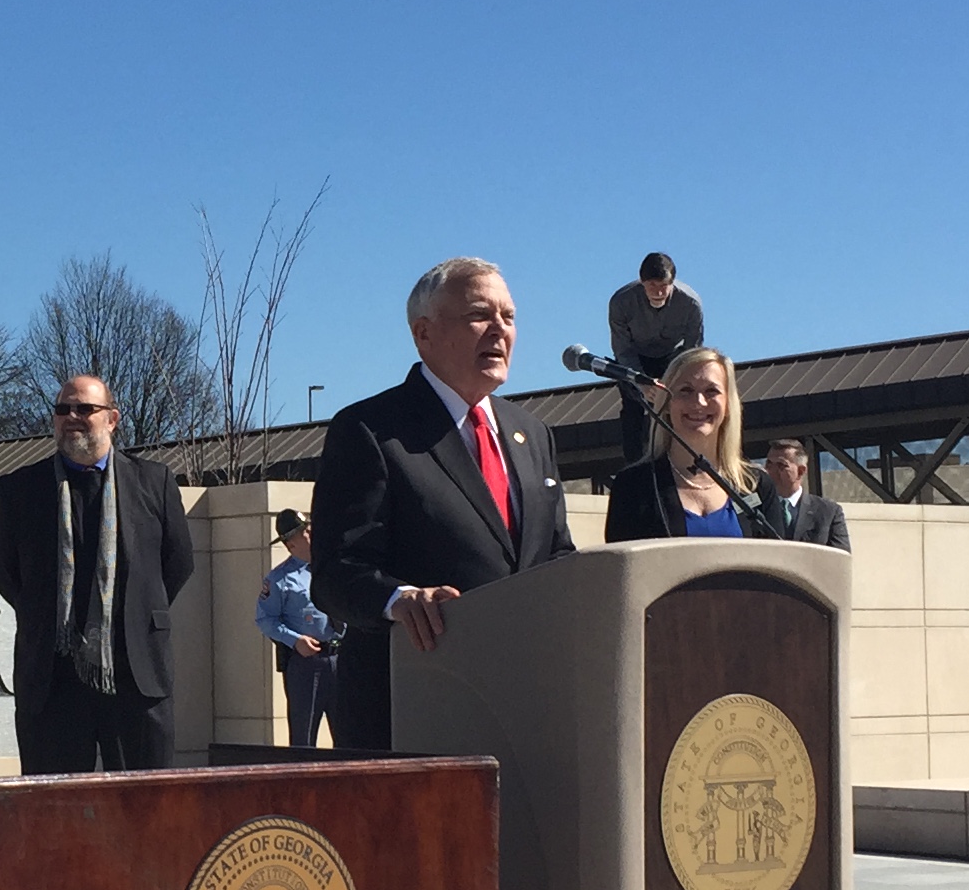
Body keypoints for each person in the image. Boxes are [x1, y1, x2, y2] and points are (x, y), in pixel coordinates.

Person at [310, 258, 576, 750]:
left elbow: (556, 555)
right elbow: (334, 575)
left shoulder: (532, 433)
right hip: (416, 706)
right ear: (424, 333)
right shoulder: (371, 431)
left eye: (509, 317)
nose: (500, 330)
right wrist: (399, 600)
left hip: (530, 705)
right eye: (480, 315)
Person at [0, 374, 196, 772]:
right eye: (63, 409)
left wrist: (133, 614)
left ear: (112, 419)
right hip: (52, 679)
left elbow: (178, 562)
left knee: (145, 811)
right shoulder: (19, 489)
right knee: (55, 815)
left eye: (85, 408)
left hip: (135, 675)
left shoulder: (154, 482)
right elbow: (3, 569)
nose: (72, 417)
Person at [604, 347, 769, 541]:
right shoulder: (632, 486)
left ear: (728, 406)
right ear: (666, 404)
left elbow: (779, 564)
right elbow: (622, 567)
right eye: (685, 390)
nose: (698, 402)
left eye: (711, 391)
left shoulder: (756, 485)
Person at [607, 252, 706, 463]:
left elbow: (693, 350)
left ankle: (676, 461)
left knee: (675, 409)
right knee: (633, 411)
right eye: (652, 285)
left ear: (672, 282)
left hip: (673, 359)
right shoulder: (621, 302)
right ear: (642, 282)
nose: (659, 292)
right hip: (634, 360)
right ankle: (633, 467)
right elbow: (623, 350)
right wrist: (641, 382)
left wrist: (678, 379)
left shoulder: (691, 303)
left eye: (664, 285)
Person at [253, 507, 338, 747]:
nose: (312, 534)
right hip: (306, 663)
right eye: (306, 532)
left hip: (341, 658)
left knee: (350, 736)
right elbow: (265, 619)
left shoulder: (333, 567)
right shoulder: (280, 579)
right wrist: (294, 640)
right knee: (304, 737)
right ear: (291, 543)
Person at [761, 437, 852, 548]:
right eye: (769, 464)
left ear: (801, 471)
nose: (771, 471)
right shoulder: (756, 509)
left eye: (781, 465)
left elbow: (841, 559)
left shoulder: (828, 512)